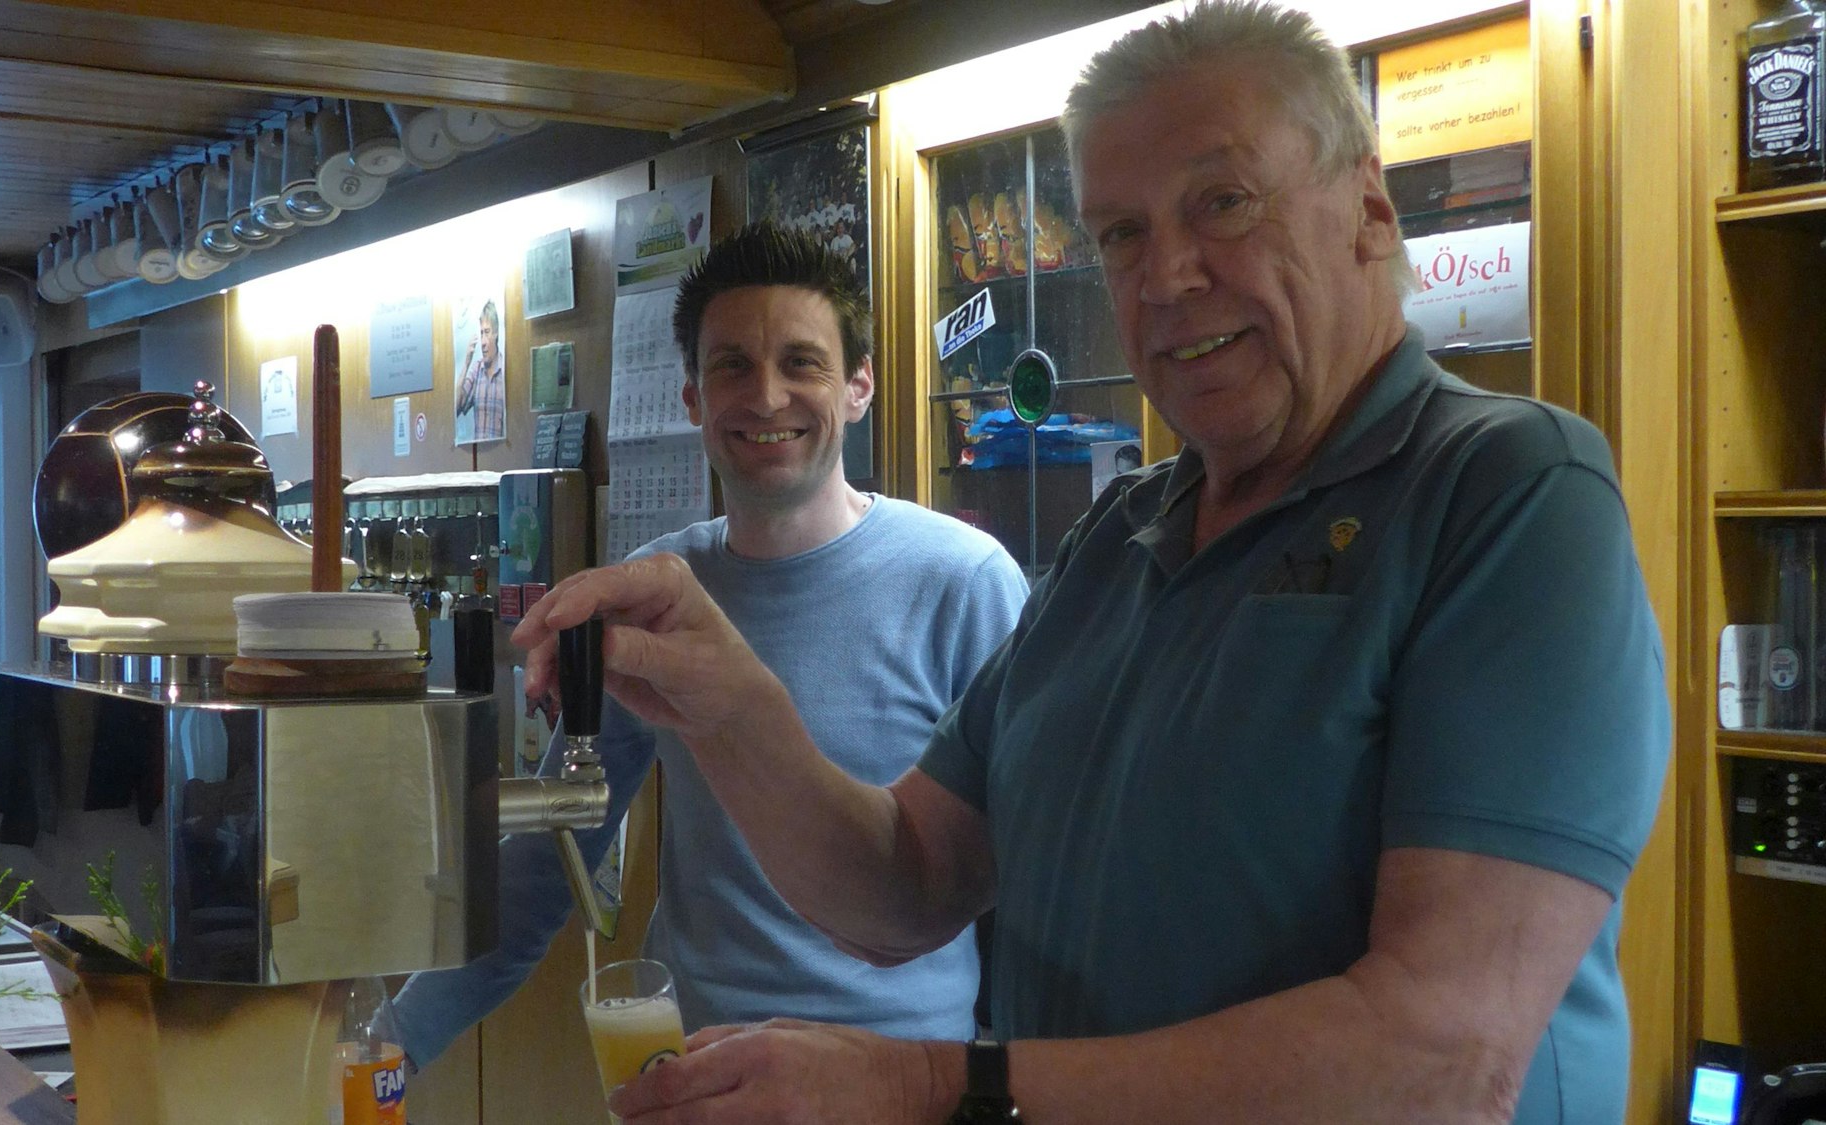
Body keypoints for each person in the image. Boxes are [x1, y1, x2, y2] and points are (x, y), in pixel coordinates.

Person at [508, 3, 1672, 1123]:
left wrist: (924, 1090)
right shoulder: (1116, 537)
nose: (1165, 276)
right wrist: (729, 702)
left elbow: (1437, 1061)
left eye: (1221, 202)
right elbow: (906, 884)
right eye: (1120, 233)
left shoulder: (1506, 492)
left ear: (1368, 210)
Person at [393, 222, 1029, 1066]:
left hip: (902, 1077)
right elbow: (548, 859)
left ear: (859, 386)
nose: (765, 397)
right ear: (692, 398)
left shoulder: (965, 581)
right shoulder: (660, 593)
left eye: (801, 362)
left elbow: (1034, 877)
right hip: (698, 1076)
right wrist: (386, 1049)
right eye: (732, 365)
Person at [454, 298, 505, 444]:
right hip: (478, 453)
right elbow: (456, 409)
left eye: (487, 332)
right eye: (481, 333)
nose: (483, 342)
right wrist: (466, 363)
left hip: (502, 452)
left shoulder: (505, 371)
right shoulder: (476, 370)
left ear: (496, 333)